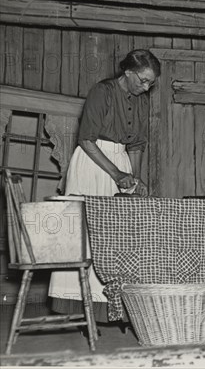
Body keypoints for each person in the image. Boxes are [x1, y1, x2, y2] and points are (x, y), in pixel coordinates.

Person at [48, 49, 161, 322]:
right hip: (93, 161)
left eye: (151, 83)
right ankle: (78, 305)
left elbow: (137, 145)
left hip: (119, 161)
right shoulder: (102, 91)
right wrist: (115, 173)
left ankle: (113, 306)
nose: (146, 86)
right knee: (87, 234)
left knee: (117, 236)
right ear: (128, 72)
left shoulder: (142, 100)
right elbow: (86, 140)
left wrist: (134, 177)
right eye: (143, 80)